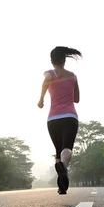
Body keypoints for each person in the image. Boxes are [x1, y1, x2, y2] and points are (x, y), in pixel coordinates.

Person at [38, 46, 81, 195]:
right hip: (70, 117)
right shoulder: (73, 76)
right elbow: (77, 99)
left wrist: (41, 99)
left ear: (52, 61)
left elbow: (46, 80)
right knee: (66, 147)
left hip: (53, 119)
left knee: (57, 151)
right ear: (64, 61)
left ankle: (61, 185)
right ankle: (64, 168)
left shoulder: (50, 73)